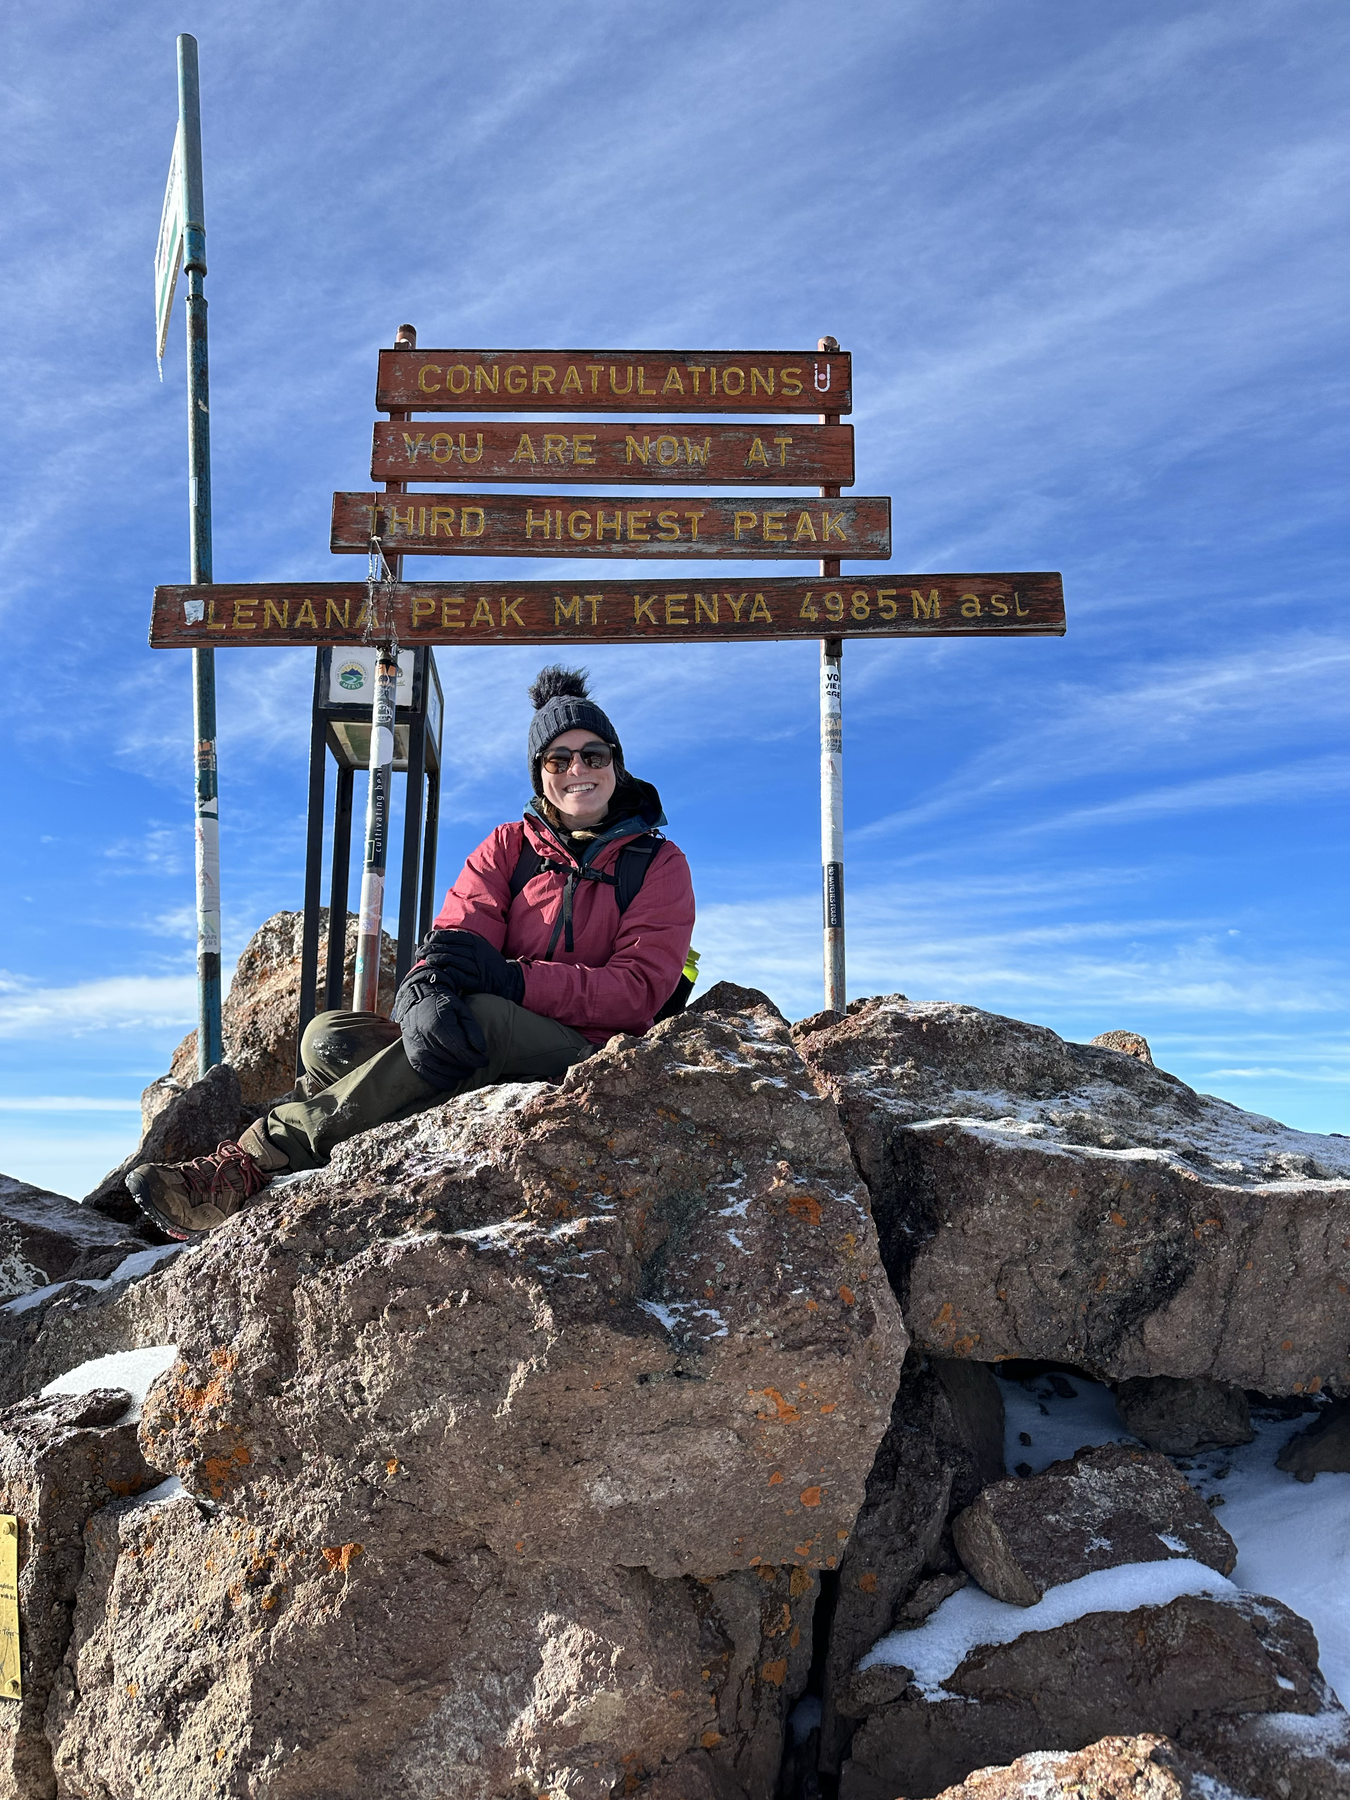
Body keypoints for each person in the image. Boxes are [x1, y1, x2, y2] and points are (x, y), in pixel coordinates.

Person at [128, 666, 696, 1241]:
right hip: (487, 1032)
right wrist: (424, 991)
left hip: (588, 1053)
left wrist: (512, 981)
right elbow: (457, 934)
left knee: (486, 1019)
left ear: (616, 765)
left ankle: (253, 1163)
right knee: (328, 1036)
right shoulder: (508, 846)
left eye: (594, 755)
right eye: (558, 759)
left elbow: (636, 991)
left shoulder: (657, 864)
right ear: (539, 774)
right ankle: (358, 1125)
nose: (578, 770)